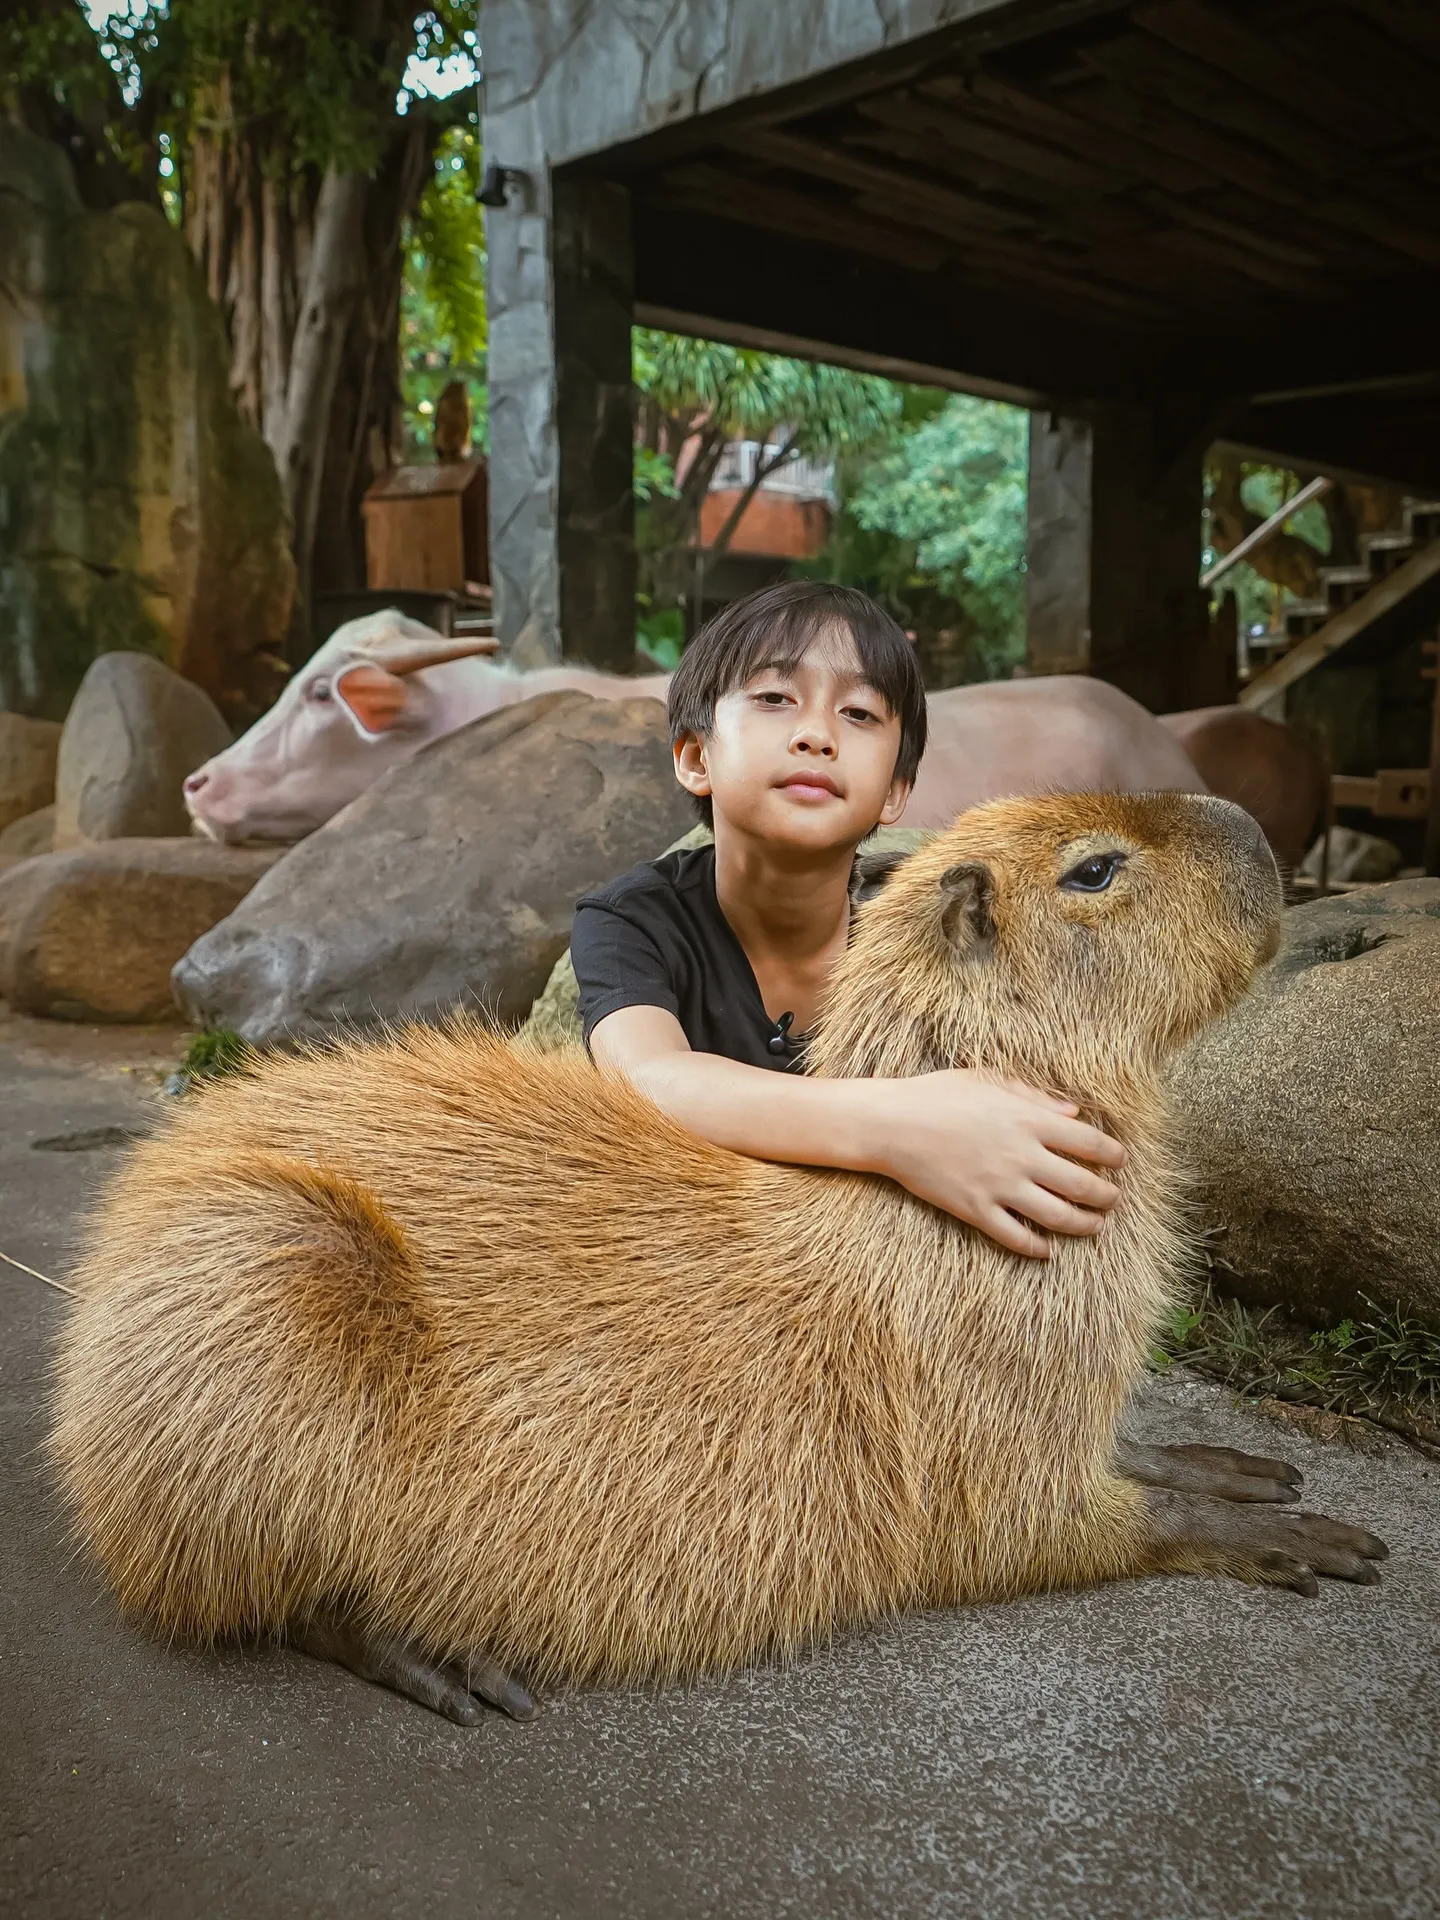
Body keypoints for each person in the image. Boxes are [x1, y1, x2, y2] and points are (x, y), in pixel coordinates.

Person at [570, 581, 1123, 1257]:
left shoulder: (928, 920)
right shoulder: (632, 921)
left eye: (860, 714)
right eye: (774, 698)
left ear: (895, 792)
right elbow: (648, 1082)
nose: (817, 734)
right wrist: (901, 1128)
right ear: (695, 757)